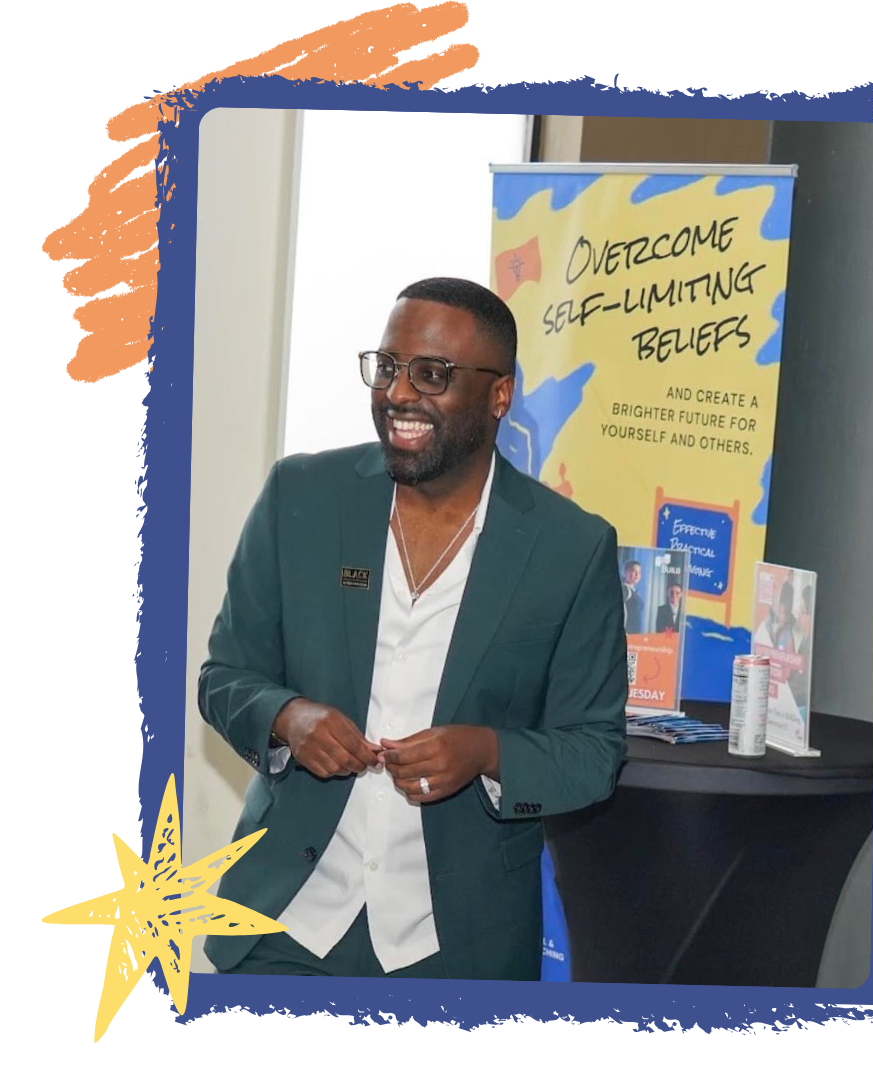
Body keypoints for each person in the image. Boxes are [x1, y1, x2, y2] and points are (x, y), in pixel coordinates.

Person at [198, 277, 628, 981]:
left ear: (499, 395)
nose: (399, 394)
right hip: (282, 927)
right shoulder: (301, 498)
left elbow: (594, 750)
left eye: (432, 375)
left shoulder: (568, 548)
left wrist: (487, 752)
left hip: (459, 949)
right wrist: (286, 717)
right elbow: (224, 678)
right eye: (389, 367)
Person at [622, 560, 644, 634]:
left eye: (639, 572)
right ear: (625, 572)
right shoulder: (625, 589)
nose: (637, 574)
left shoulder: (634, 591)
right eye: (633, 571)